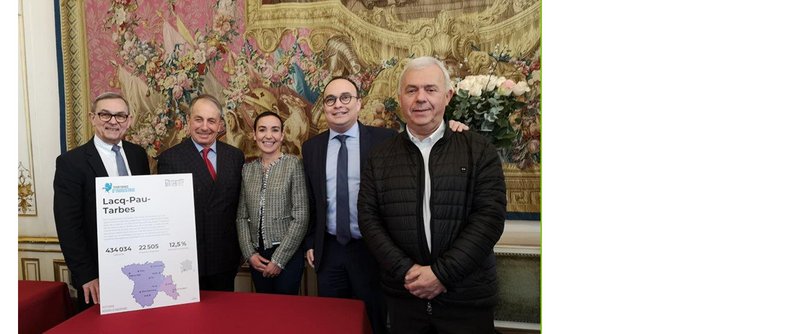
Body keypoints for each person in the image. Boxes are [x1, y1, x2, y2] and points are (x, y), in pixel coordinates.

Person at [302, 76, 469, 334]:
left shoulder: (386, 139)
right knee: (332, 321)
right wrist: (312, 241)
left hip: (374, 251)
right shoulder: (311, 148)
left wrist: (452, 129)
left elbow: (425, 143)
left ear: (359, 104)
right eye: (331, 100)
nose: (338, 105)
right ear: (324, 107)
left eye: (346, 97)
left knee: (374, 321)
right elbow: (313, 199)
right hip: (330, 251)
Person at [358, 56, 507, 334]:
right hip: (406, 298)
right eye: (411, 90)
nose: (420, 98)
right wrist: (408, 272)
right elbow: (369, 219)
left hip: (466, 298)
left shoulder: (478, 149)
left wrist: (441, 274)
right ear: (400, 98)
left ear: (448, 95)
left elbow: (489, 218)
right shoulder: (379, 157)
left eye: (430, 89)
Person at [54, 92, 150, 312]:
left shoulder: (138, 156)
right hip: (97, 274)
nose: (113, 121)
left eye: (120, 116)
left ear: (129, 120)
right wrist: (86, 275)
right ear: (92, 117)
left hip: (139, 267)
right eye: (105, 115)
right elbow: (68, 226)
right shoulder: (71, 163)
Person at [157, 94, 245, 291]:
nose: (204, 127)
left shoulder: (235, 156)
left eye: (211, 121)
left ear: (220, 124)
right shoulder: (170, 159)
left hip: (225, 259)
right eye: (199, 119)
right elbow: (167, 216)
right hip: (187, 260)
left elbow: (239, 206)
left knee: (222, 317)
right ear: (188, 121)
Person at [235, 111, 309, 294]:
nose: (268, 136)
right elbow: (241, 217)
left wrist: (279, 260)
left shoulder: (294, 165)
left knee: (285, 313)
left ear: (282, 135)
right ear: (254, 134)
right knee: (263, 312)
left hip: (287, 254)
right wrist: (249, 254)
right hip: (257, 257)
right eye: (262, 130)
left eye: (275, 130)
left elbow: (301, 217)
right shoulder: (248, 170)